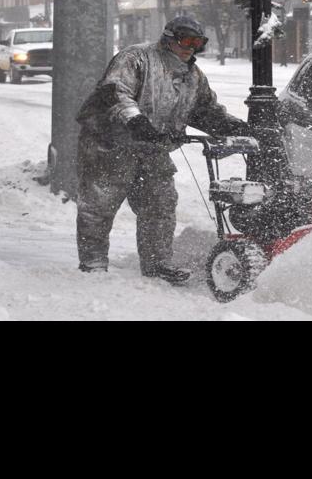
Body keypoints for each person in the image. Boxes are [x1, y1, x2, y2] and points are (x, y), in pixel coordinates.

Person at [74, 15, 246, 283]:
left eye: (197, 43)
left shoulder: (193, 77)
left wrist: (235, 127)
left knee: (160, 203)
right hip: (109, 144)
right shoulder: (136, 58)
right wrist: (135, 120)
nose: (190, 48)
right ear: (168, 40)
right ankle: (93, 263)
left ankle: (157, 263)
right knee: (100, 204)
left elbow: (204, 111)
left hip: (153, 148)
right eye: (186, 41)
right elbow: (115, 92)